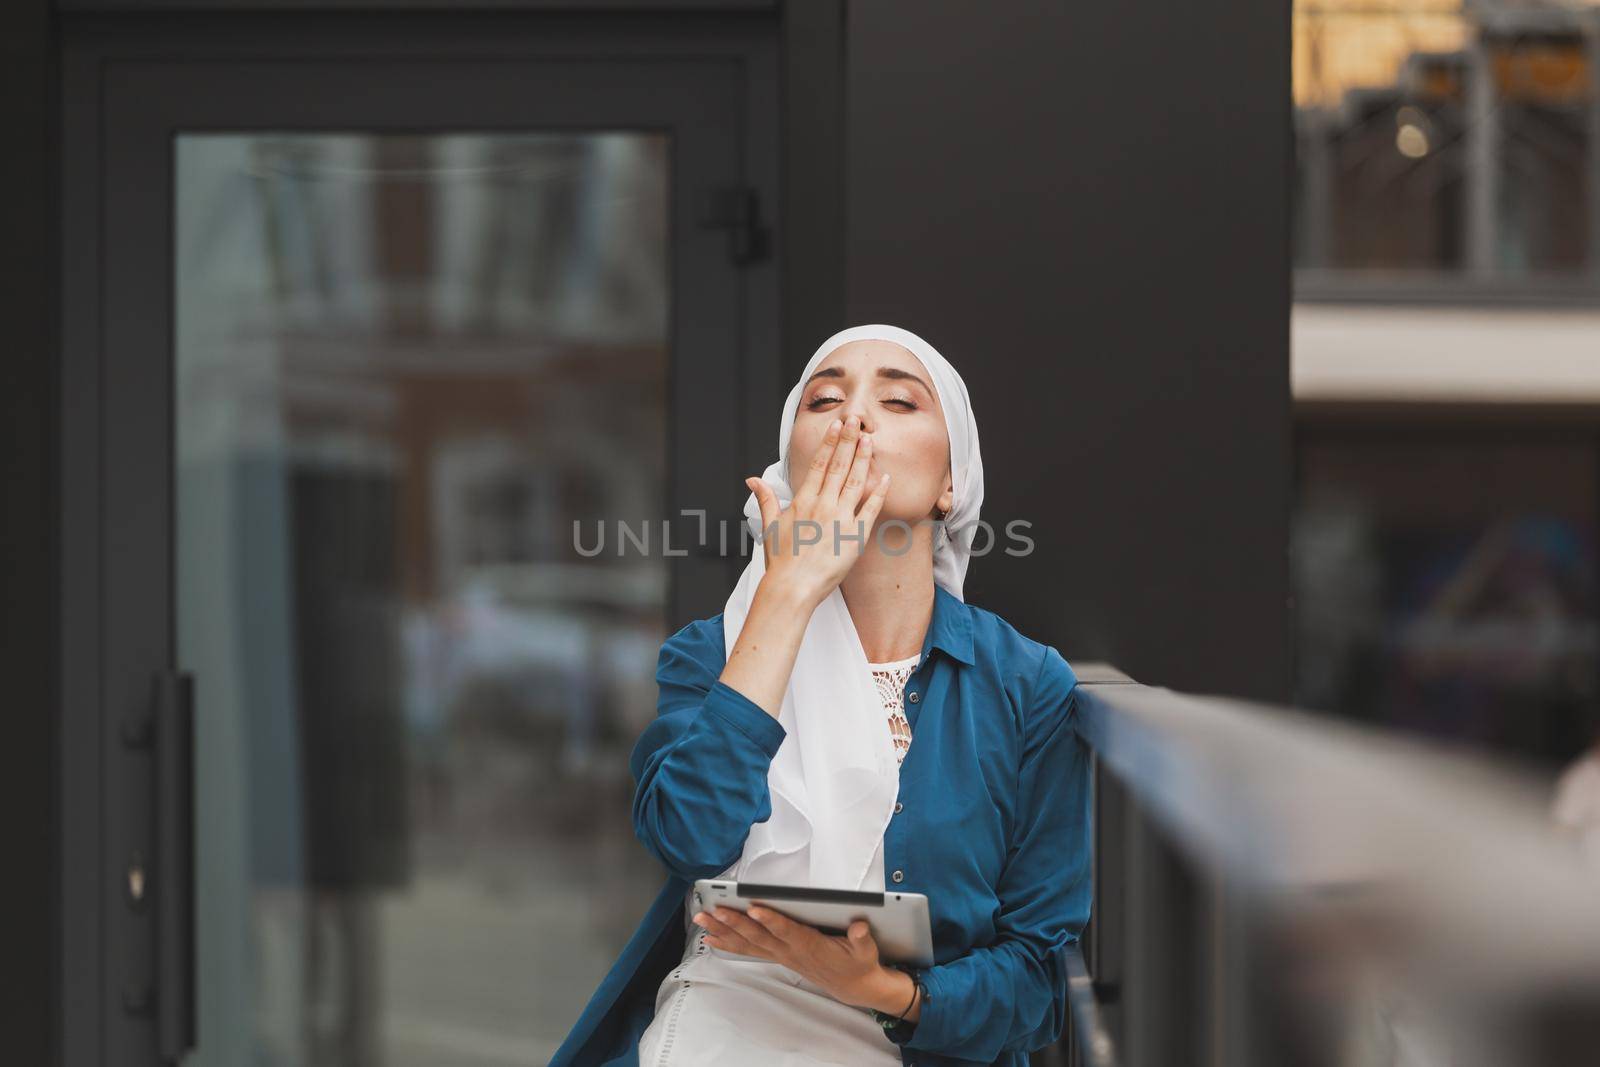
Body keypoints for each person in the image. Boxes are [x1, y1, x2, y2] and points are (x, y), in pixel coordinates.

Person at [549, 324, 1092, 1067]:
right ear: (788, 470)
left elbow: (1039, 983)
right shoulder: (712, 650)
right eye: (824, 399)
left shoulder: (1027, 684)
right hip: (723, 1031)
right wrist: (789, 591)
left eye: (899, 401)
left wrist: (886, 990)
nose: (853, 417)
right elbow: (685, 835)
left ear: (950, 484)